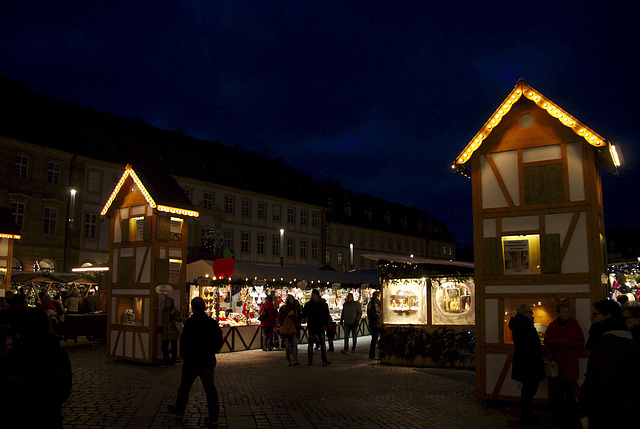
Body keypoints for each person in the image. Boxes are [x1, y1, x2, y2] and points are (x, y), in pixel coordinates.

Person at [0, 307, 72, 428]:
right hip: (50, 418)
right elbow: (64, 391)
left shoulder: (11, 361)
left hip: (18, 419)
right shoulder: (59, 357)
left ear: (19, 329)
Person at [581, 299, 640, 428]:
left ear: (607, 316)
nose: (591, 319)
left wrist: (586, 405)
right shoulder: (626, 337)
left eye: (595, 315)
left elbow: (603, 380)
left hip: (607, 410)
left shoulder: (606, 342)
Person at [168, 297, 224, 426]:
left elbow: (185, 340)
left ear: (193, 308)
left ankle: (180, 410)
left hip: (191, 361)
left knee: (185, 387)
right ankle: (214, 416)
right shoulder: (211, 322)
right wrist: (212, 352)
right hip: (206, 361)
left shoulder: (190, 323)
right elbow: (219, 340)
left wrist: (184, 355)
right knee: (210, 389)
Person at [543, 303, 584, 424]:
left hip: (570, 361)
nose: (567, 314)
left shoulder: (574, 326)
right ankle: (559, 415)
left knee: (570, 390)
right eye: (564, 312)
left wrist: (565, 342)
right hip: (558, 362)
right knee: (558, 391)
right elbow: (547, 340)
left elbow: (580, 342)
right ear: (559, 313)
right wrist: (560, 342)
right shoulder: (553, 326)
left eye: (568, 312)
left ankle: (570, 415)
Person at [508, 303, 544, 424]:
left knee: (527, 389)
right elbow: (530, 344)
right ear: (523, 313)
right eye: (529, 312)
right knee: (530, 389)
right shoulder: (525, 326)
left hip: (524, 361)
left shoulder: (518, 325)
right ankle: (526, 414)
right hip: (529, 362)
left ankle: (526, 413)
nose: (532, 314)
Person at [301, 289, 331, 366]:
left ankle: (324, 360)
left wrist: (325, 323)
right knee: (311, 343)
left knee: (322, 343)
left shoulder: (322, 304)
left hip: (320, 326)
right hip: (312, 326)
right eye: (312, 295)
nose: (313, 296)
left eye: (314, 295)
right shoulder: (310, 304)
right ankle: (310, 360)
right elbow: (304, 314)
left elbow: (326, 315)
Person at [161, 296, 183, 367]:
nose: (167, 303)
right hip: (165, 331)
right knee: (164, 347)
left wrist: (174, 317)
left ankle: (173, 361)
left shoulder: (174, 310)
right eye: (166, 302)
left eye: (168, 302)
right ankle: (167, 361)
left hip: (173, 331)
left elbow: (180, 318)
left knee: (174, 347)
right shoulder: (163, 310)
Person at [278, 294, 300, 366]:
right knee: (287, 346)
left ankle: (295, 359)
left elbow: (298, 318)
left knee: (294, 345)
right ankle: (288, 360)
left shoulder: (296, 308)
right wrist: (287, 315)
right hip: (286, 330)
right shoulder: (283, 309)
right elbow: (280, 318)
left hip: (294, 329)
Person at [367, 291, 382, 360]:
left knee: (374, 339)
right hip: (376, 323)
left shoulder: (371, 303)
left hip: (372, 323)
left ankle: (372, 354)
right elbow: (376, 314)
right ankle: (373, 354)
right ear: (377, 296)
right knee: (375, 339)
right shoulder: (375, 303)